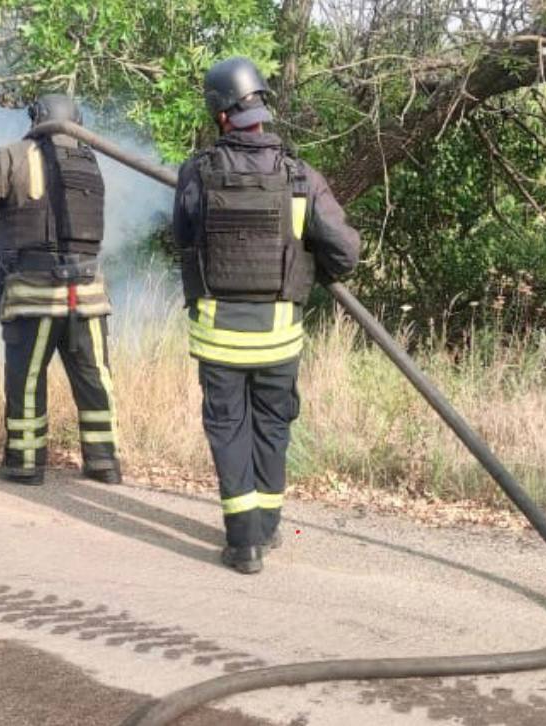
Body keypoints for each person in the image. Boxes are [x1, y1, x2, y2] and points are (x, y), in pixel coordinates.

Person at [173, 58, 361, 573]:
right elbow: (345, 253)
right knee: (273, 427)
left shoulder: (199, 171)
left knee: (229, 429)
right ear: (263, 110)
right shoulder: (301, 176)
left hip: (218, 336)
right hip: (279, 338)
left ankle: (243, 544)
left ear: (220, 116)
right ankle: (270, 526)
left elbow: (184, 238)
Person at [0, 93, 121, 486]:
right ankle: (104, 462)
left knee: (27, 380)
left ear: (37, 118)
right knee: (95, 378)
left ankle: (25, 463)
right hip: (87, 296)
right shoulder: (89, 161)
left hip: (34, 294)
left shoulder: (14, 155)